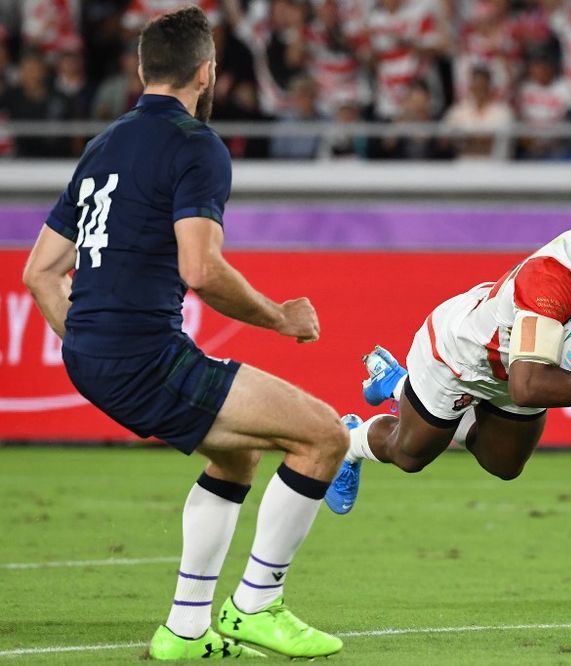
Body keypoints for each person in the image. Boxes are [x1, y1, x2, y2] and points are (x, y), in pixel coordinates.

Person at [21, 7, 349, 659]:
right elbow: (200, 268)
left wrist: (86, 340)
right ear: (207, 72)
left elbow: (38, 274)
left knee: (236, 454)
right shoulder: (196, 145)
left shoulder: (102, 145)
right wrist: (280, 317)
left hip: (92, 355)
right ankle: (257, 605)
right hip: (144, 355)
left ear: (144, 70)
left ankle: (185, 630)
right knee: (323, 435)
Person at [325, 165, 571, 515]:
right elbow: (527, 387)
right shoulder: (555, 275)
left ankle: (401, 386)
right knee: (409, 455)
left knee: (504, 465)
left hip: (525, 367)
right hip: (463, 356)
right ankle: (349, 440)